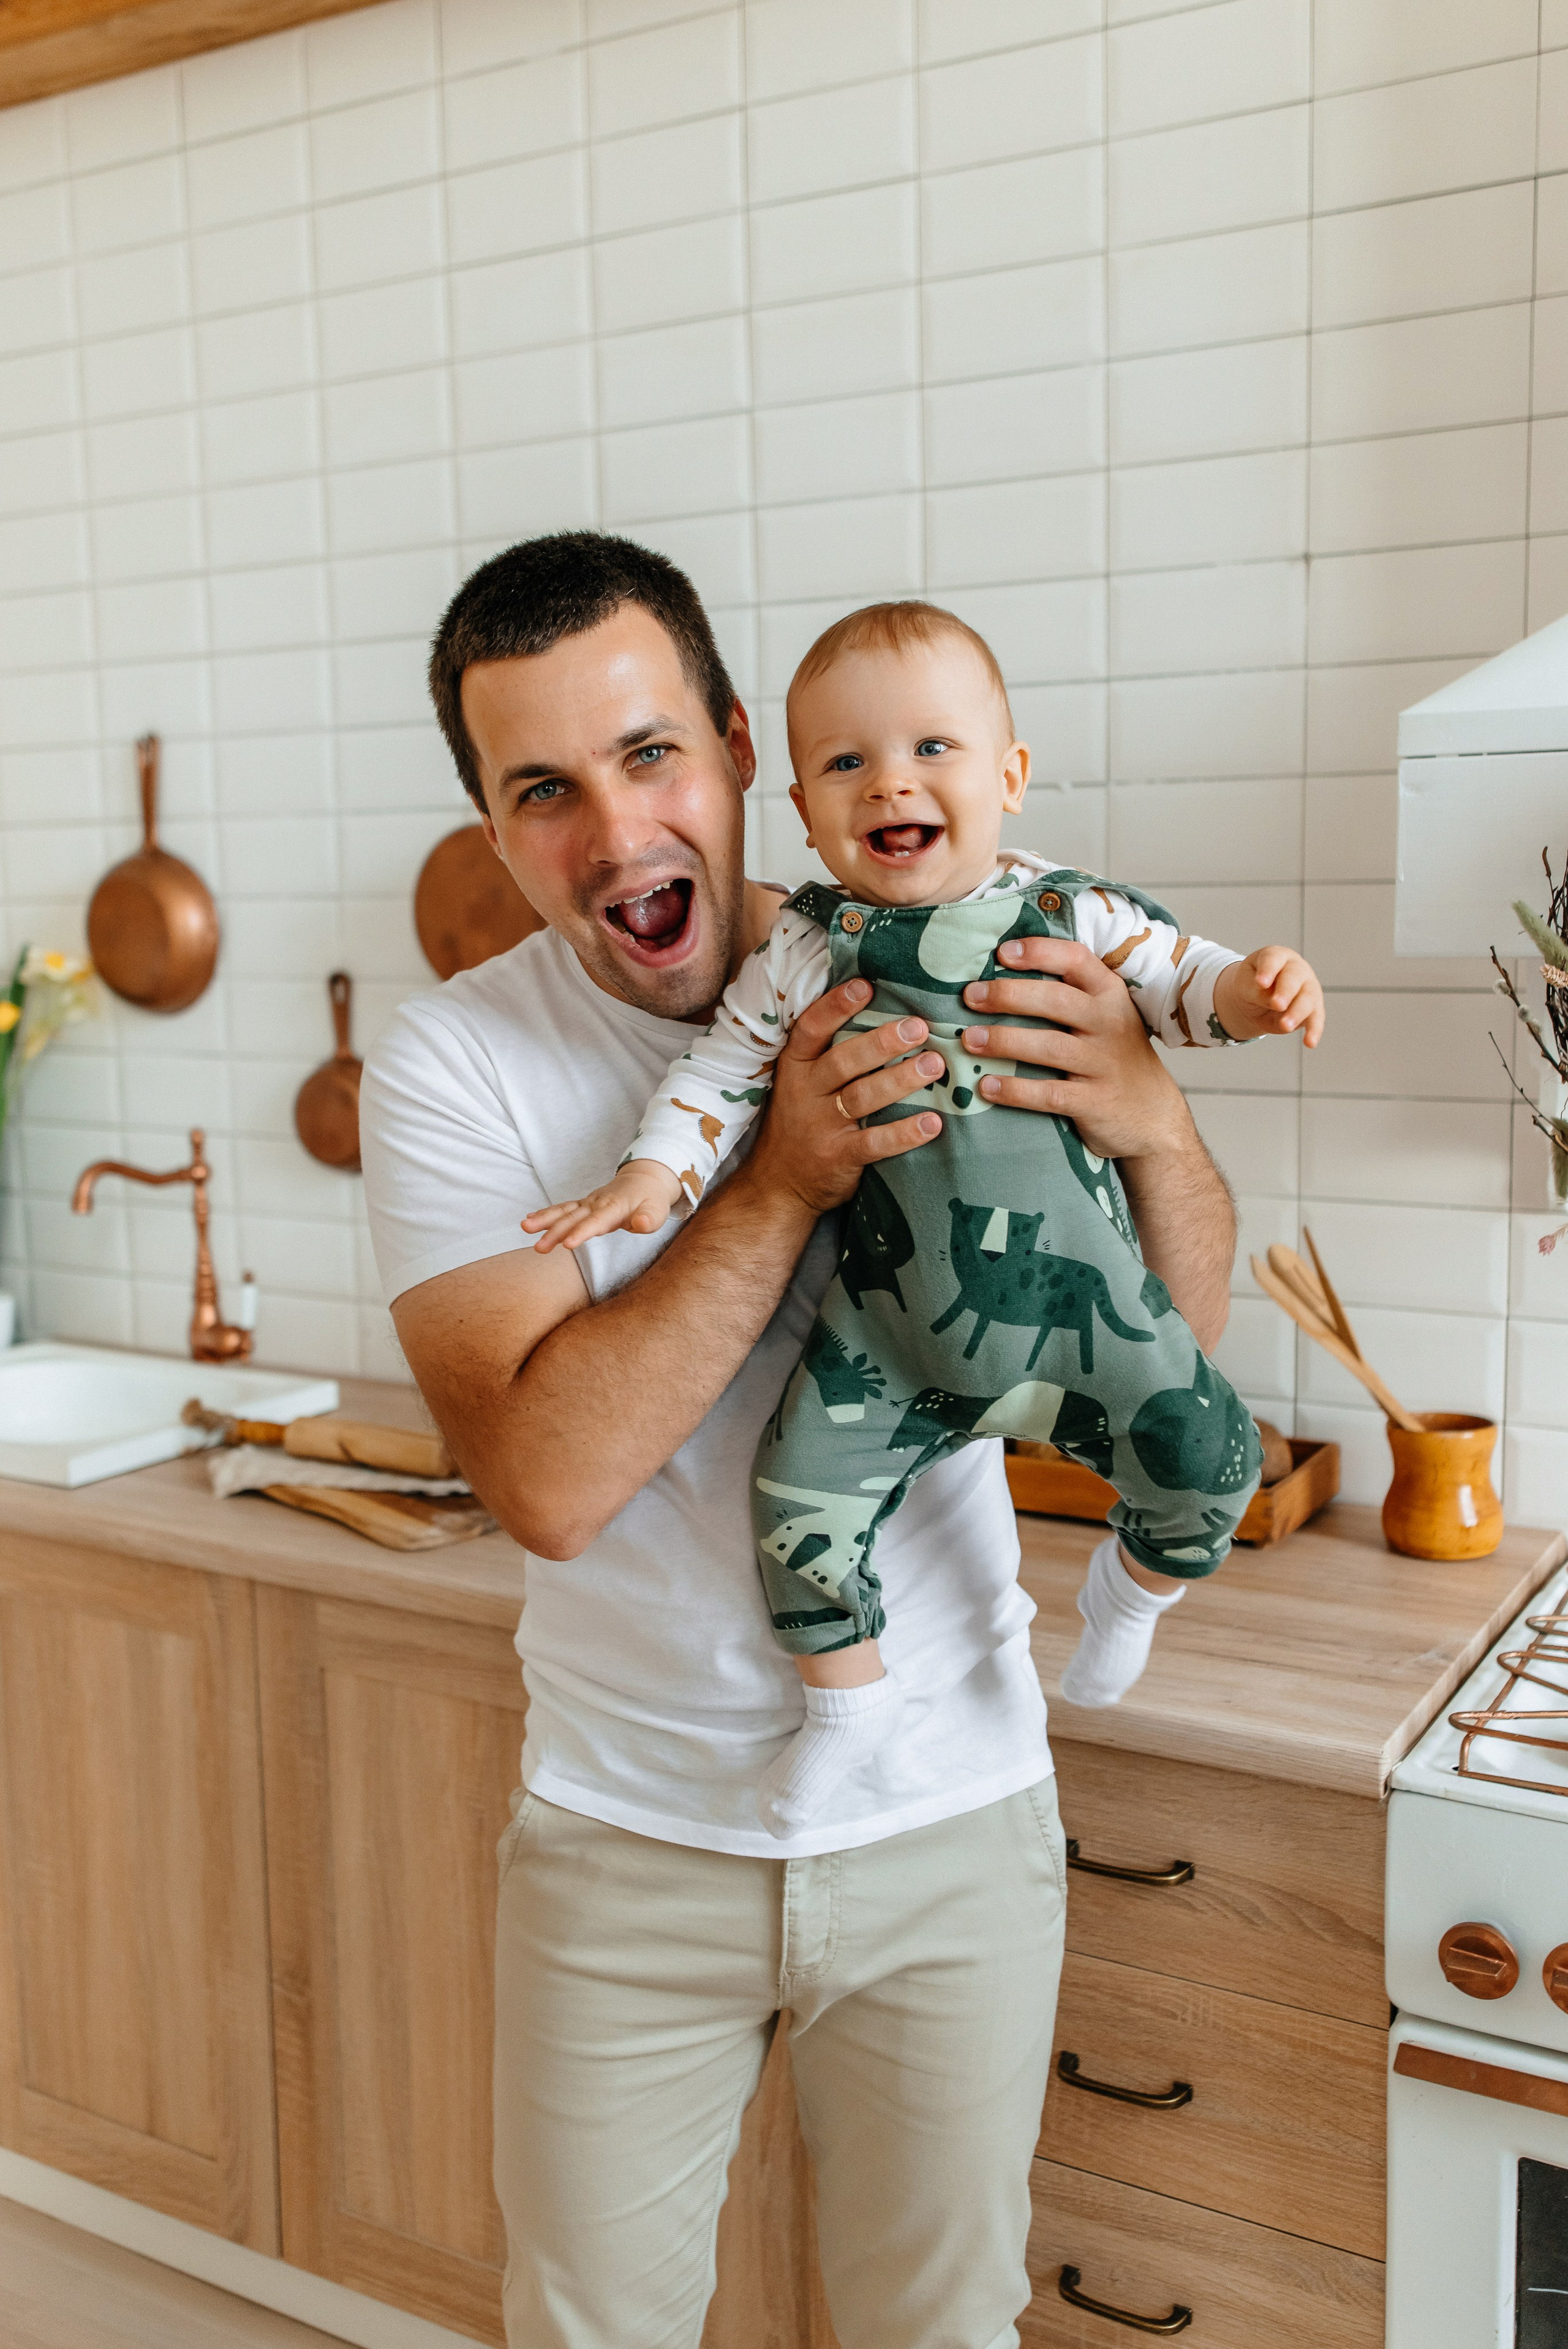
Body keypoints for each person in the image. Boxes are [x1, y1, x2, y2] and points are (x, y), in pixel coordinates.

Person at [359, 532, 1245, 2349]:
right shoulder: (453, 1064)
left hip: (955, 1804)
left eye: (649, 755)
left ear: (744, 744)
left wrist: (1153, 1119)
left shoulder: (983, 940)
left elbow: (1173, 1336)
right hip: (631, 1836)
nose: (614, 835)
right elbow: (545, 1482)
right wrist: (781, 1177)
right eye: (543, 790)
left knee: (945, 2329)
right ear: (490, 823)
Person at [522, 599, 1324, 1834]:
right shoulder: (808, 944)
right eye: (846, 762)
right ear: (801, 809)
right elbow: (722, 1069)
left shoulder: (1071, 917)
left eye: (931, 750)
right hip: (887, 1343)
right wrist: (653, 1177)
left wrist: (1255, 991)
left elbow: (1184, 980)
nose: (889, 780)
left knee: (1216, 1464)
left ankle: (1134, 1590)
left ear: (1007, 774)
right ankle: (849, 1706)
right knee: (790, 1514)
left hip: (1081, 1321)